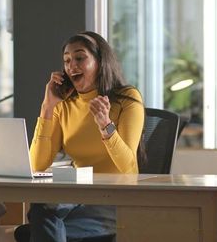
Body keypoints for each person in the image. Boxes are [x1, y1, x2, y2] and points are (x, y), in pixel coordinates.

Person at [20, 31, 145, 242]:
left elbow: (129, 168)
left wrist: (106, 125)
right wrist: (47, 108)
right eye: (67, 60)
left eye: (80, 58)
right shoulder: (64, 104)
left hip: (115, 200)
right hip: (76, 196)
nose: (71, 66)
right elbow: (37, 165)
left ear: (100, 62)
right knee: (41, 207)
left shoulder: (126, 98)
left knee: (32, 231)